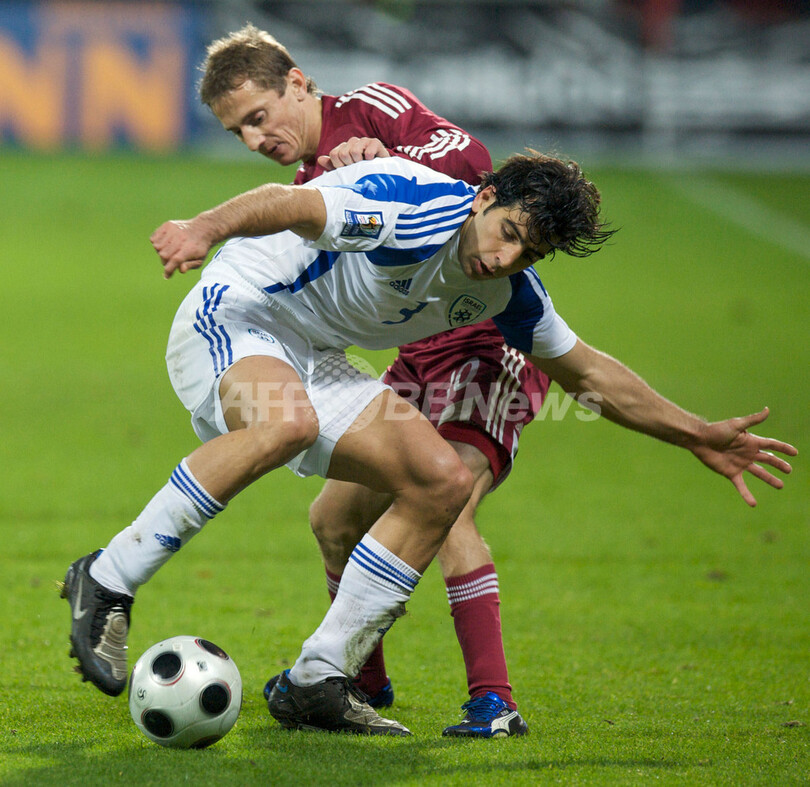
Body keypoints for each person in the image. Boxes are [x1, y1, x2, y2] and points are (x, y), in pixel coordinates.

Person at [61, 151, 796, 738]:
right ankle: (111, 575)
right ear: (483, 197)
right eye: (508, 230)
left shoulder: (509, 293)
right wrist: (204, 227)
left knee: (441, 480)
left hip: (317, 358)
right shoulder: (409, 205)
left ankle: (320, 677)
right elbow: (287, 202)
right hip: (240, 314)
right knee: (286, 423)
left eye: (529, 251)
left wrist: (698, 432)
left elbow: (589, 370)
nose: (506, 257)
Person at [198, 23, 551, 737]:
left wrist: (389, 157)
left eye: (259, 116)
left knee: (449, 501)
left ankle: (495, 701)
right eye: (240, 131)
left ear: (297, 80)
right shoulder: (307, 188)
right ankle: (358, 677)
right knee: (332, 518)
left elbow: (472, 165)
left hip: (484, 334)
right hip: (419, 348)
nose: (256, 138)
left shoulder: (370, 106)